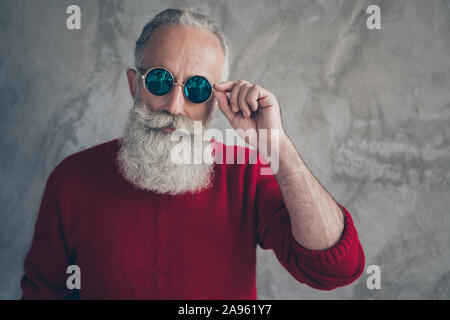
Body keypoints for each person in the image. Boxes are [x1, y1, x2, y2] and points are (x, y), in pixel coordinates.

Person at [20, 8, 365, 300]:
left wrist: (279, 148)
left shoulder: (244, 173)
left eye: (196, 88)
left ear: (215, 102)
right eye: (158, 81)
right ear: (133, 85)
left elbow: (335, 269)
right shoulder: (72, 179)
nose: (174, 106)